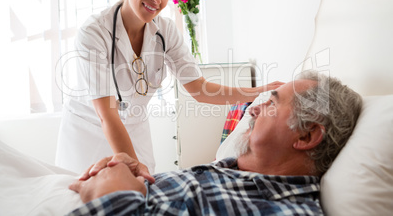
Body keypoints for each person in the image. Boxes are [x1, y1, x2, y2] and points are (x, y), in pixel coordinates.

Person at [55, 0, 283, 175]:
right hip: (89, 130)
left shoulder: (165, 32)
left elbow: (199, 89)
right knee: (85, 198)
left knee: (140, 196)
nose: (157, 0)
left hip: (134, 130)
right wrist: (134, 168)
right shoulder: (94, 32)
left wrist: (259, 91)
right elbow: (107, 113)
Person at [67, 71, 363, 215]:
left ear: (306, 135)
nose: (252, 108)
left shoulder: (280, 210)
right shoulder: (229, 171)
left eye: (272, 103)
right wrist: (124, 171)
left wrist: (110, 185)